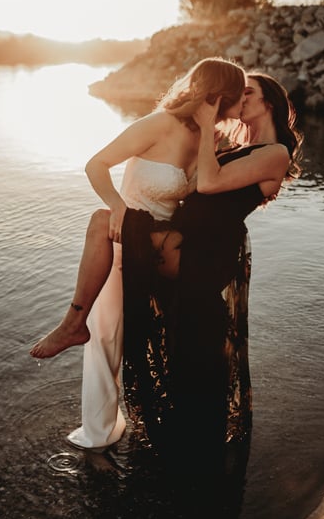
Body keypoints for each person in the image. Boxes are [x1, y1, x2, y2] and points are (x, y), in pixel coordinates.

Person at [29, 57, 248, 450]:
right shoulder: (157, 124)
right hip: (120, 238)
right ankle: (98, 434)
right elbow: (96, 165)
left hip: (159, 247)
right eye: (237, 96)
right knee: (105, 333)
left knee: (157, 338)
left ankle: (168, 422)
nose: (242, 104)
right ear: (219, 95)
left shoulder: (211, 140)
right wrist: (116, 205)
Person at [120, 71, 303, 468]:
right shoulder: (238, 148)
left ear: (267, 102)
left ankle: (199, 468)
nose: (238, 101)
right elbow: (193, 186)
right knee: (184, 347)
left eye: (247, 94)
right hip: (196, 254)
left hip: (206, 261)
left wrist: (205, 131)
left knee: (197, 352)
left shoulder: (275, 153)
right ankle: (189, 457)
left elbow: (208, 184)